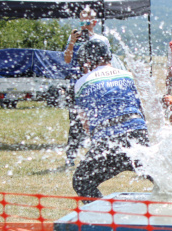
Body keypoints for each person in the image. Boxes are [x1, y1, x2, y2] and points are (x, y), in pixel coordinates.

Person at [71, 36, 149, 200]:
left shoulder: (81, 83)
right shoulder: (128, 75)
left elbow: (86, 123)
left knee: (82, 182)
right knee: (166, 181)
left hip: (108, 142)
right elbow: (141, 109)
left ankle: (104, 219)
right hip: (138, 137)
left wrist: (96, 145)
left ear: (89, 60)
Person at [63, 6, 102, 167]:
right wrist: (72, 43)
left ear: (94, 22)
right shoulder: (74, 39)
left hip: (94, 85)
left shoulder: (100, 40)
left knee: (96, 121)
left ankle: (97, 154)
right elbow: (66, 60)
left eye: (87, 21)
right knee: (75, 122)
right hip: (77, 86)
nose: (84, 25)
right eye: (81, 21)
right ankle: (71, 155)